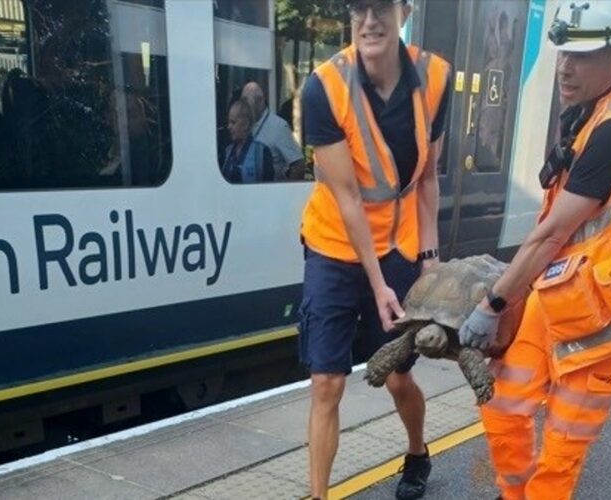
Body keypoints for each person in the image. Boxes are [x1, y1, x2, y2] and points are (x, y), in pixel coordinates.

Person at [456, 2, 611, 499]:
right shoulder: (610, 99)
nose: (565, 67)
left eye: (582, 56)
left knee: (560, 458)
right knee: (503, 402)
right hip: (571, 286)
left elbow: (549, 235)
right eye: (563, 51)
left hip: (609, 317)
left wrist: (492, 304)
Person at [298, 0, 450, 498]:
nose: (368, 20)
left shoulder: (436, 78)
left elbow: (427, 179)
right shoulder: (324, 87)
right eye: (357, 6)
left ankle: (417, 452)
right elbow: (345, 196)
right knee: (327, 383)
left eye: (380, 5)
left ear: (404, 8)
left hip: (398, 246)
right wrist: (377, 283)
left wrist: (428, 260)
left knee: (398, 378)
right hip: (333, 245)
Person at [241, 81, 307, 181]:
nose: (243, 107)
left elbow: (298, 165)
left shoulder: (278, 127)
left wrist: (287, 192)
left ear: (260, 101)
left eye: (246, 101)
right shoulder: (246, 124)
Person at [220, 99, 274, 183]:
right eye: (228, 122)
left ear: (246, 124)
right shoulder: (227, 152)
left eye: (233, 122)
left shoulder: (262, 152)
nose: (228, 127)